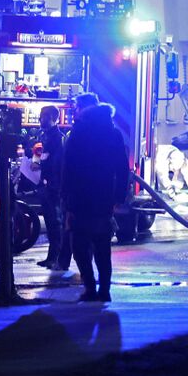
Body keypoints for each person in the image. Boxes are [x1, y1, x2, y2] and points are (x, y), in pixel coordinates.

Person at [61, 94, 130, 302]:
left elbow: (68, 167)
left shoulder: (78, 133)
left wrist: (65, 196)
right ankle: (105, 290)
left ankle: (90, 287)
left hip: (80, 197)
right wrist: (119, 195)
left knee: (79, 246)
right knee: (102, 246)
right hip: (104, 196)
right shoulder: (113, 133)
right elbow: (122, 167)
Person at [32, 105, 72, 277]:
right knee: (50, 222)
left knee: (56, 223)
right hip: (46, 185)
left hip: (53, 186)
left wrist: (42, 166)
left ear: (54, 119)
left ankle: (56, 257)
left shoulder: (57, 138)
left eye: (45, 116)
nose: (41, 119)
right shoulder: (44, 136)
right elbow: (41, 155)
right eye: (41, 116)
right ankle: (51, 257)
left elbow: (56, 164)